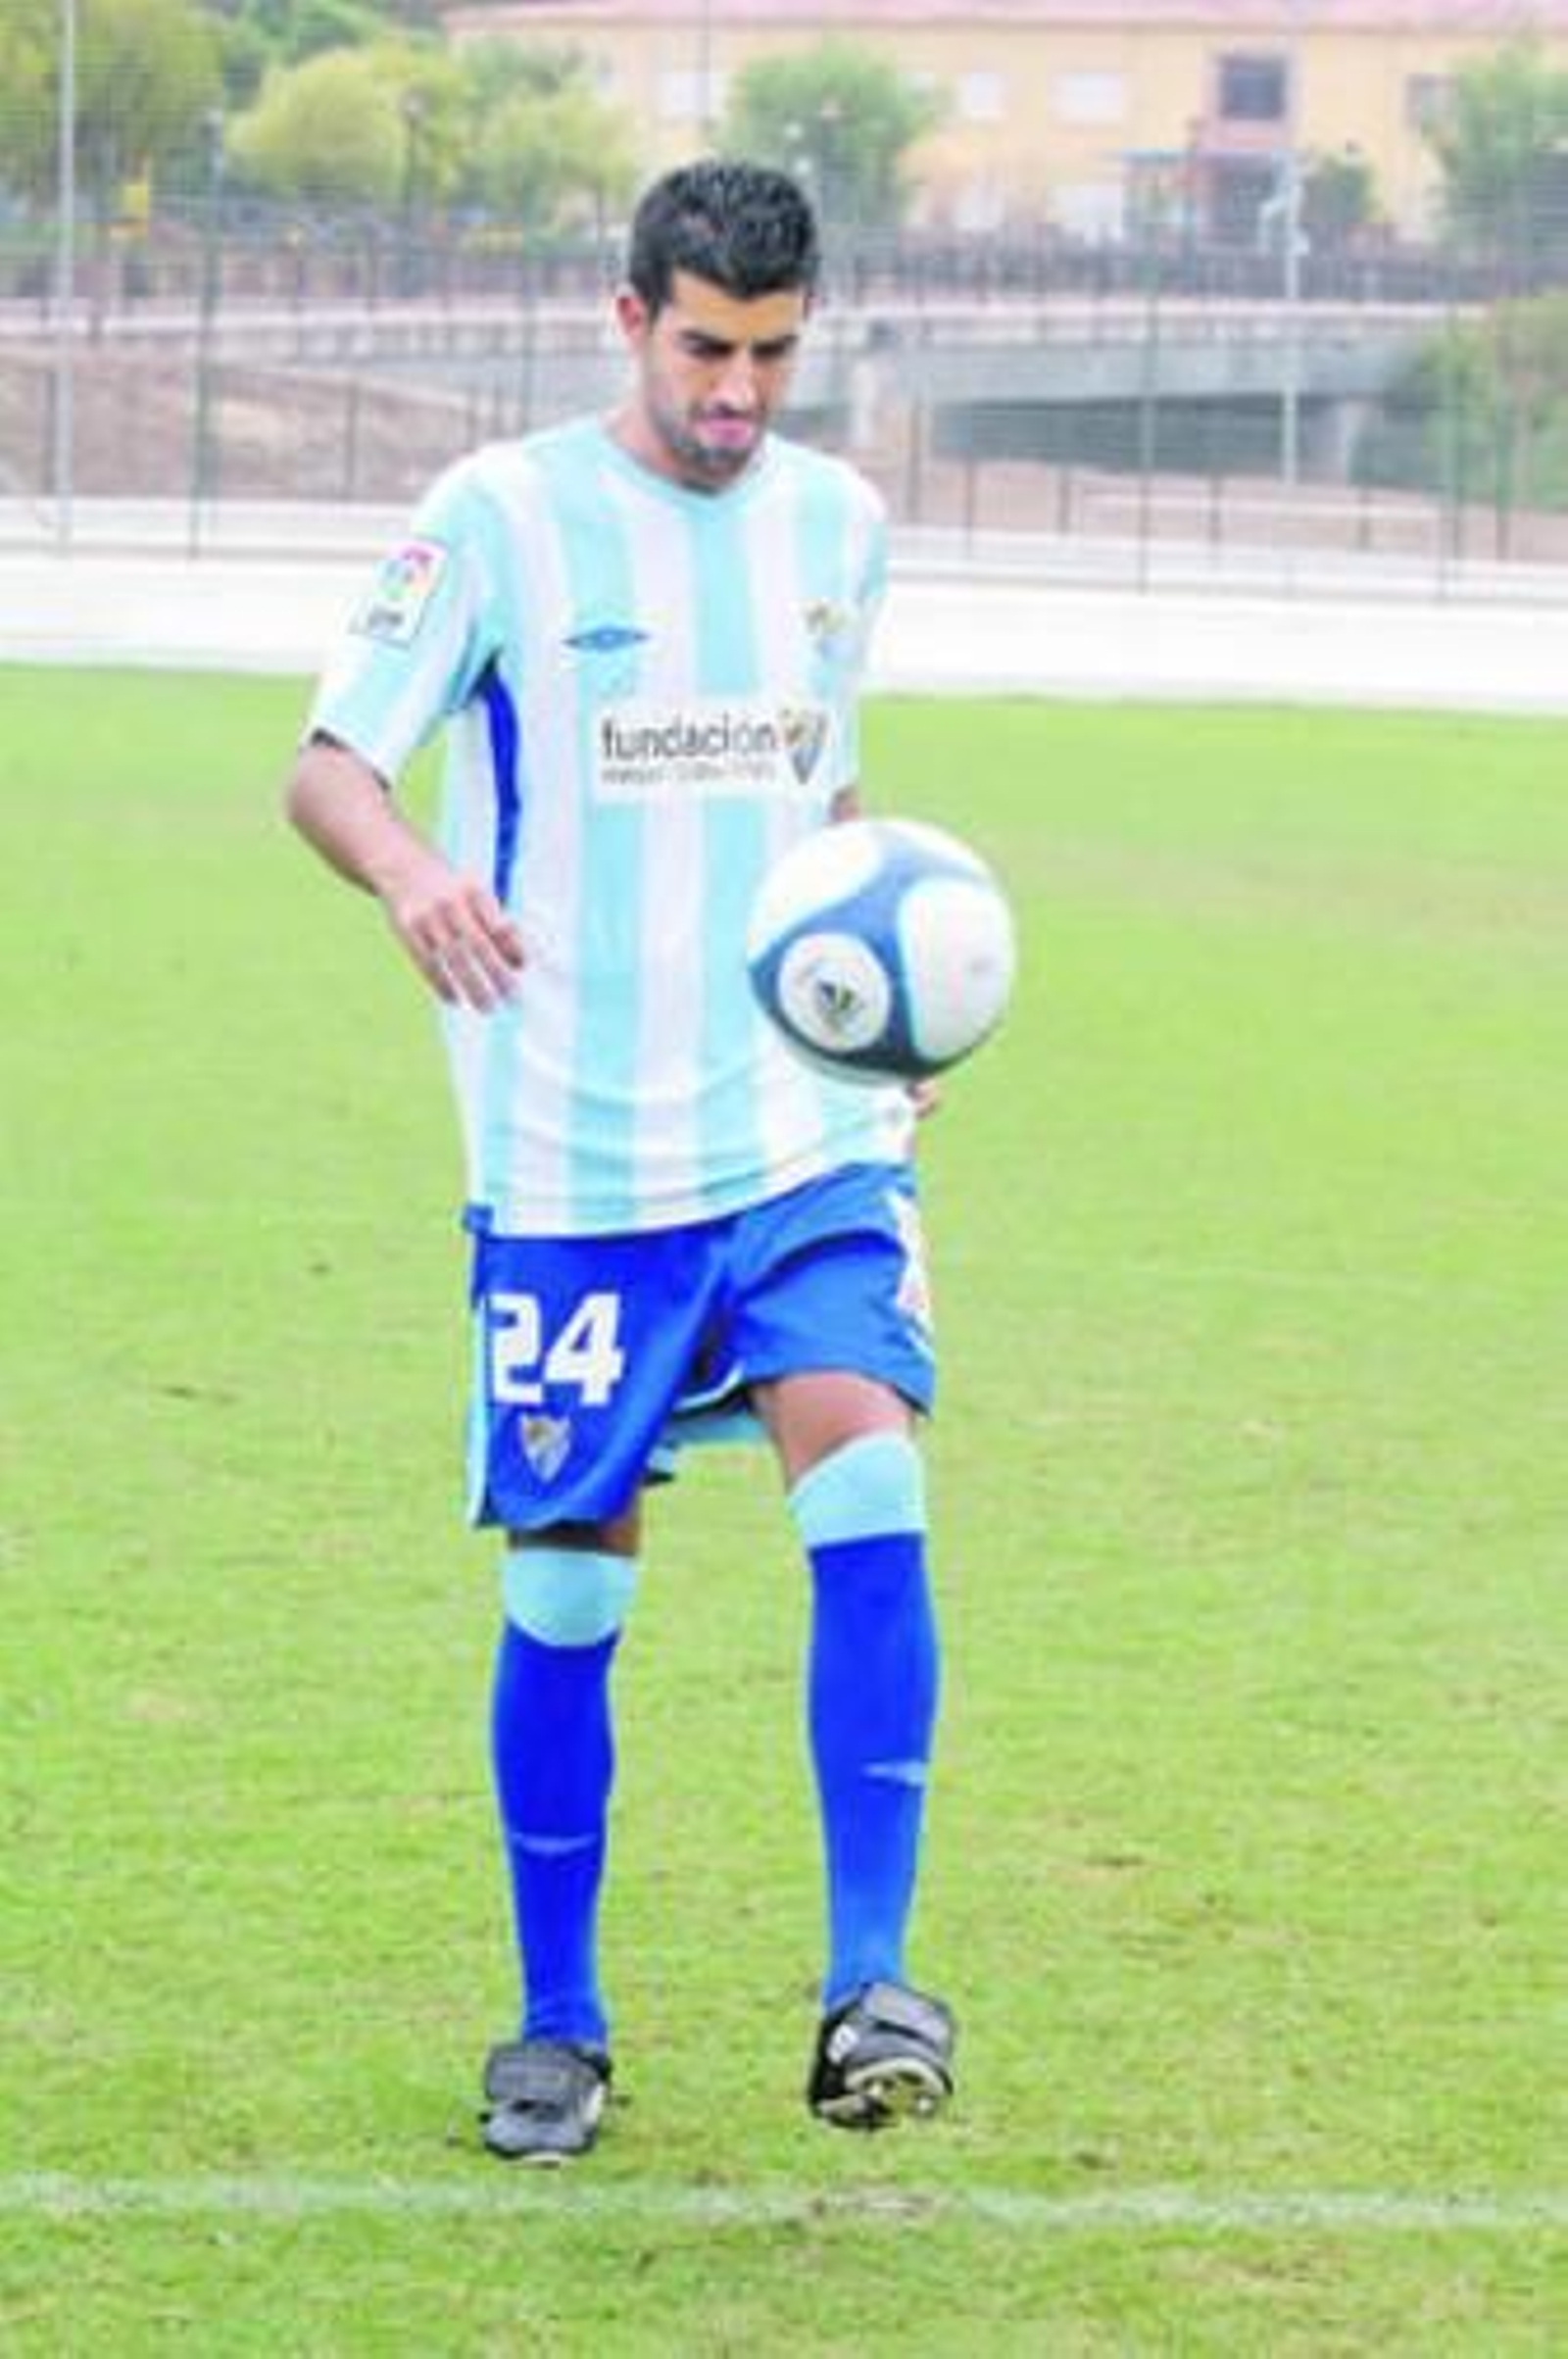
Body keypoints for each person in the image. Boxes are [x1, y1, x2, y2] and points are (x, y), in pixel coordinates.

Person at [285, 158, 956, 2165]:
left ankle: (870, 1985)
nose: (737, 393)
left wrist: (877, 1011)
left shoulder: (838, 526)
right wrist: (411, 874)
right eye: (705, 349)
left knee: (873, 1471)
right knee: (573, 1586)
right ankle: (556, 2025)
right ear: (627, 318)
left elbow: (825, 790)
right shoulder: (499, 516)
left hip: (803, 1134)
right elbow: (329, 763)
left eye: (772, 355)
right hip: (575, 1157)